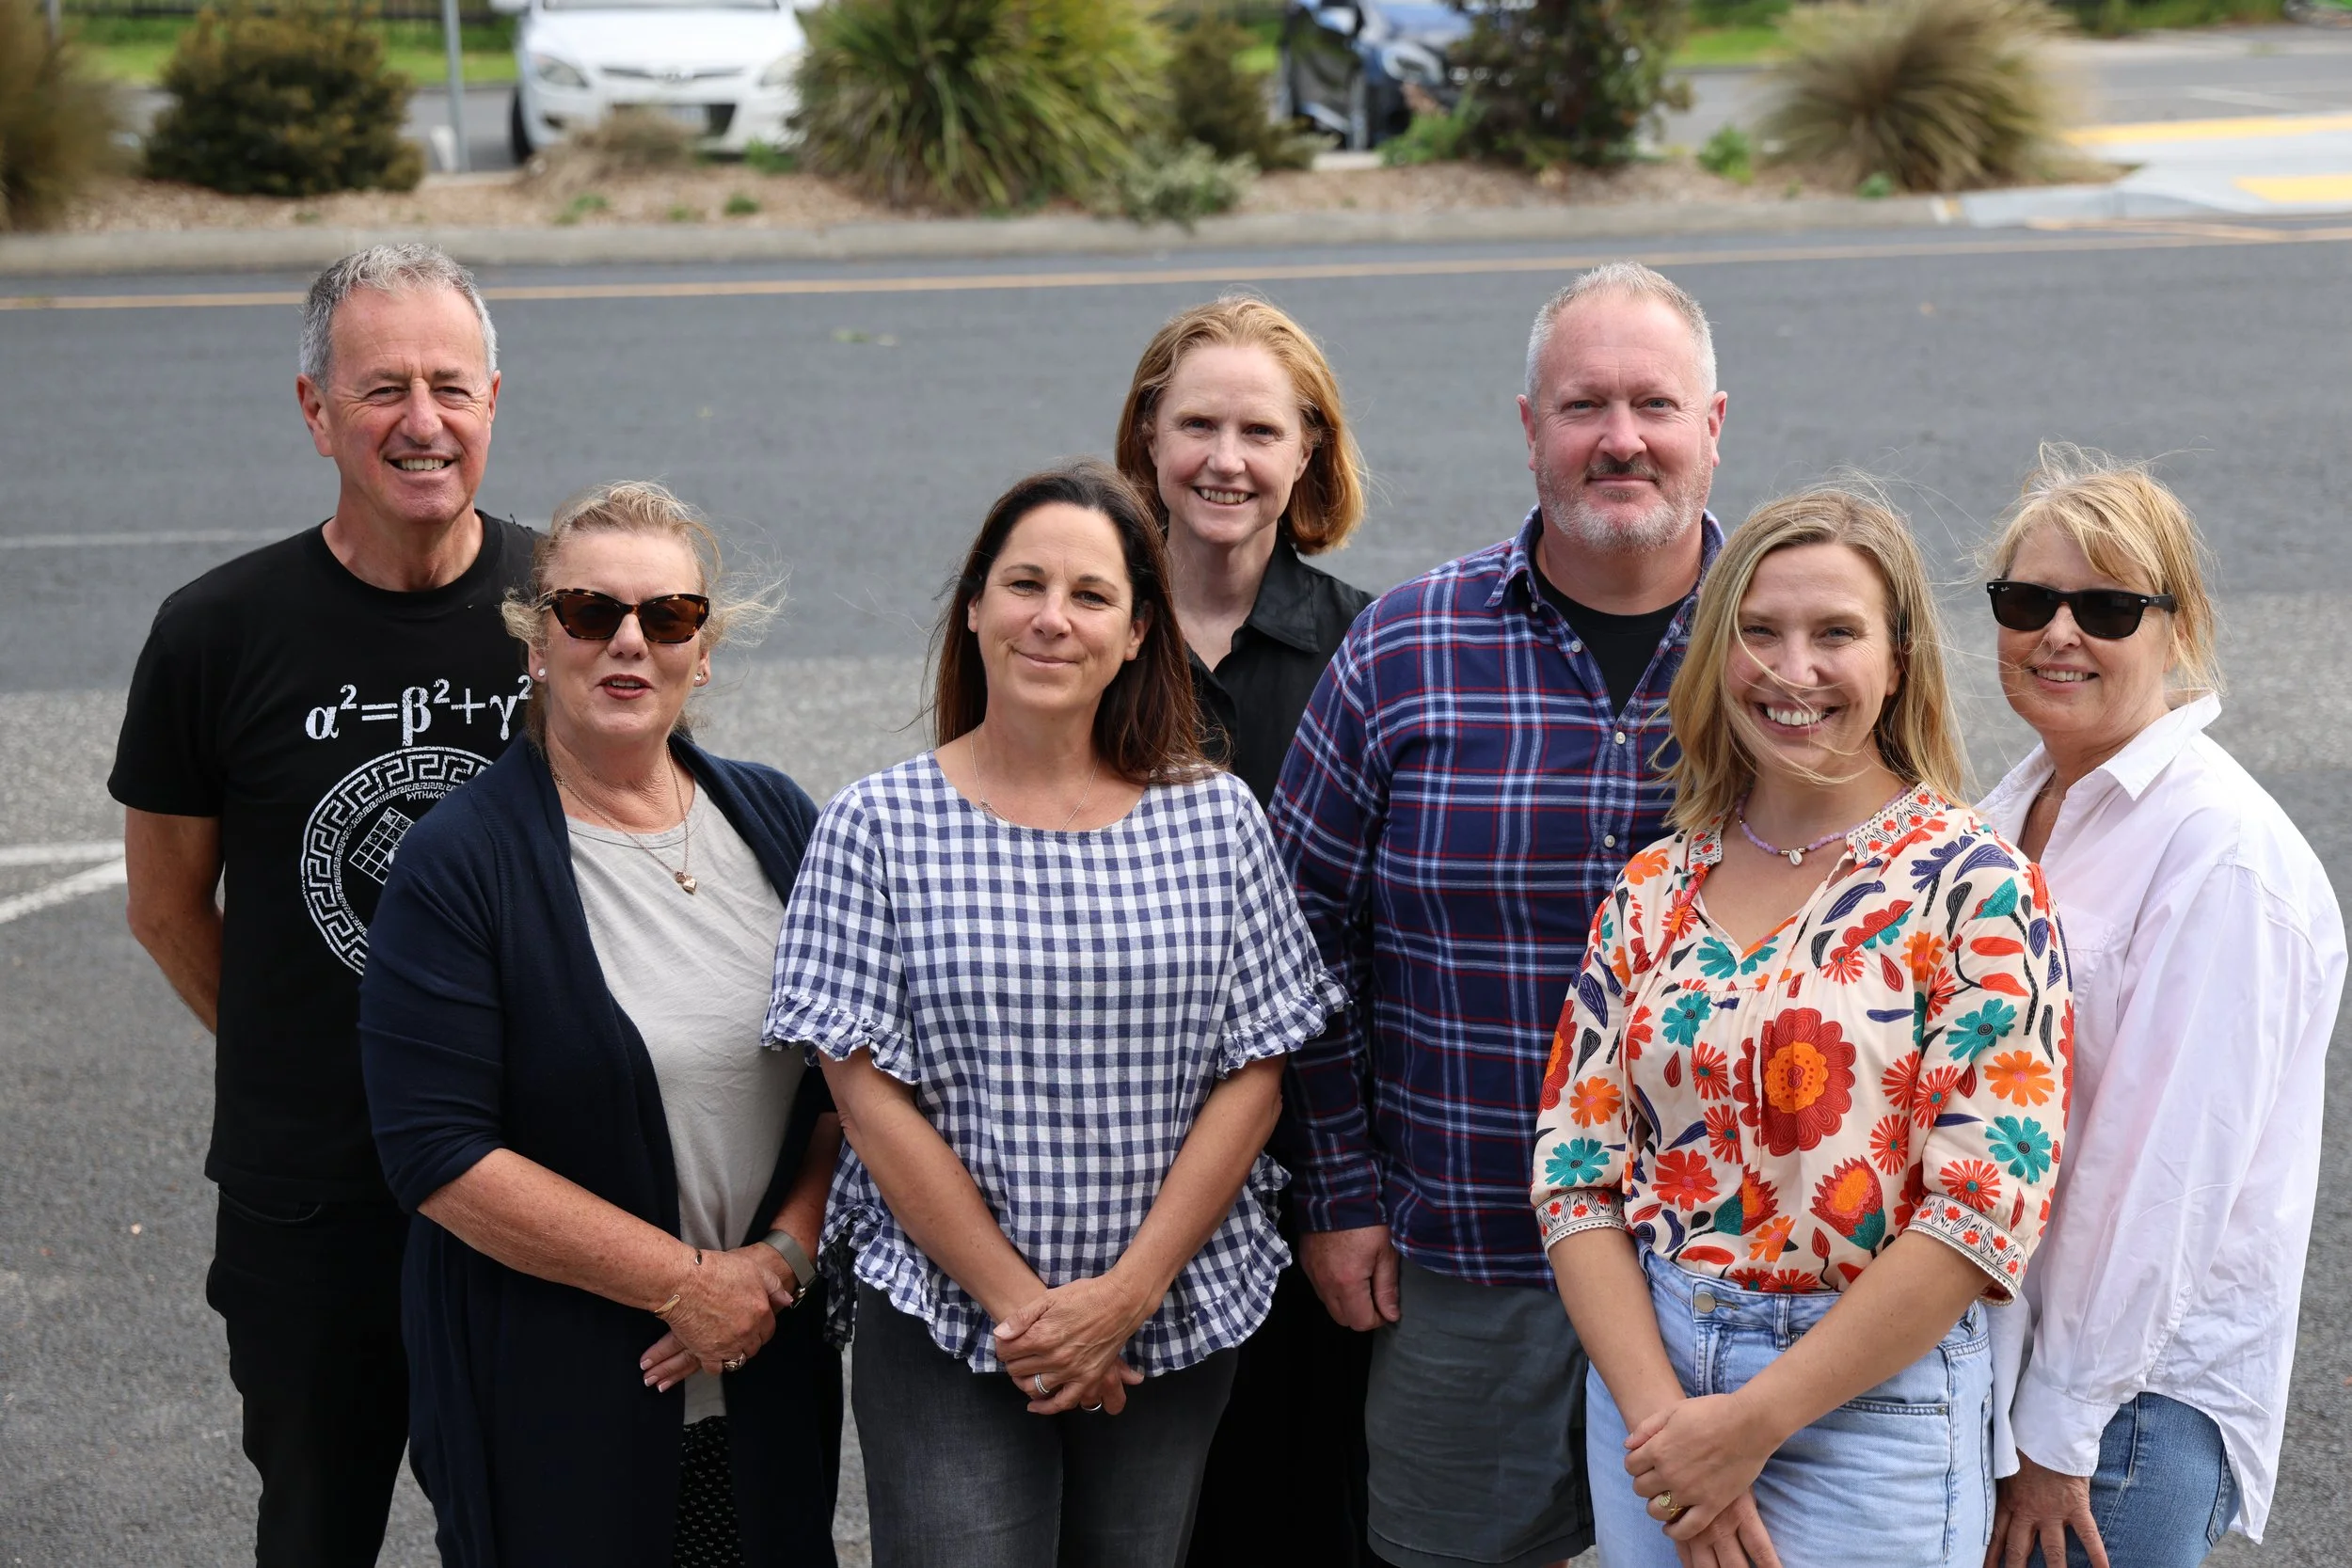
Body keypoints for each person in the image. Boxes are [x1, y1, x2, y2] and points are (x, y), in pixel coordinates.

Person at [766, 460, 1343, 1567]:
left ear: (1136, 632)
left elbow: (1255, 1070)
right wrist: (1029, 1312)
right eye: (1024, 584)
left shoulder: (1215, 819)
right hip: (945, 1313)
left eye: (1090, 595)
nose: (1051, 618)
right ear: (975, 605)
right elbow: (865, 1099)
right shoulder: (875, 826)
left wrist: (1123, 1297)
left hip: (1167, 1314)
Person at [1273, 261, 1726, 1568]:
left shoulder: (1790, 644)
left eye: (1655, 402)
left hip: (1735, 1274)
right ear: (1530, 427)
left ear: (1714, 423)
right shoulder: (1406, 648)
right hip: (1467, 1248)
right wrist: (1341, 1191)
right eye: (1585, 404)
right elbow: (1303, 945)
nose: (1622, 437)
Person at [1532, 487, 2074, 1568]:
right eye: (1759, 631)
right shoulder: (1652, 886)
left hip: (1867, 1413)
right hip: (1653, 1385)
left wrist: (1750, 1423)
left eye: (1836, 632)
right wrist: (1671, 1431)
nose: (1793, 668)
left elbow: (1979, 1214)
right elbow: (1573, 1173)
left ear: (1899, 657)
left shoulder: (1978, 888)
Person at [108, 243, 532, 1568]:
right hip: (311, 1199)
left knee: (537, 1521)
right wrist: (302, 1052)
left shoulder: (570, 610)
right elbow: (167, 903)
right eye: (381, 388)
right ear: (314, 411)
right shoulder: (216, 632)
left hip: (538, 1177)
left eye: (450, 386)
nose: (422, 421)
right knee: (315, 1525)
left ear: (494, 399)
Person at [359, 481, 842, 1566]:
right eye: (589, 612)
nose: (630, 639)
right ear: (539, 643)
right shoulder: (459, 861)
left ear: (702, 650)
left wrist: (779, 1259)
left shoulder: (776, 819)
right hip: (557, 1390)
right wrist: (685, 1283)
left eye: (667, 616)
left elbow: (840, 1089)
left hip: (762, 1367)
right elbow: (437, 1152)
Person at [1974, 451, 2345, 1568]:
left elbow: (2163, 1183)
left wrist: (2056, 1431)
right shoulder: (2010, 806)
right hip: (2016, 1372)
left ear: (2177, 631)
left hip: (2122, 1413)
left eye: (2106, 606)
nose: (2059, 632)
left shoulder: (2219, 853)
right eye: (2028, 601)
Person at [1111, 295, 1376, 1565]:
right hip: (1110, 1174)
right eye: (1197, 423)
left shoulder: (1368, 648)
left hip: (1309, 1170)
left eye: (1261, 429)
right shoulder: (1077, 630)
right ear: (1147, 437)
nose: (1226, 457)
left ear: (1310, 453)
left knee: (1300, 1505)